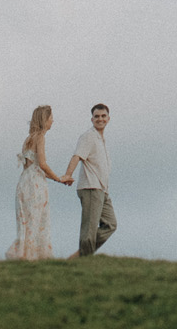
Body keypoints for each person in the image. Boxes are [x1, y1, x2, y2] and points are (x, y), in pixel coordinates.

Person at [7, 104, 74, 260]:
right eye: (51, 117)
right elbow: (42, 165)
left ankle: (26, 255)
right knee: (37, 221)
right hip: (35, 185)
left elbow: (35, 168)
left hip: (25, 182)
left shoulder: (28, 139)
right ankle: (32, 257)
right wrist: (59, 178)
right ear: (45, 119)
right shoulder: (40, 138)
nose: (53, 121)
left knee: (27, 221)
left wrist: (58, 179)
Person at [67, 102, 116, 257]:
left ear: (108, 118)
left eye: (103, 116)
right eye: (96, 116)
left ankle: (80, 255)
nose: (100, 119)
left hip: (102, 189)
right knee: (89, 229)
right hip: (90, 187)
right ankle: (84, 262)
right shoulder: (88, 136)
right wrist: (68, 174)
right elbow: (77, 156)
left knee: (111, 224)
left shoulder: (102, 139)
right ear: (92, 119)